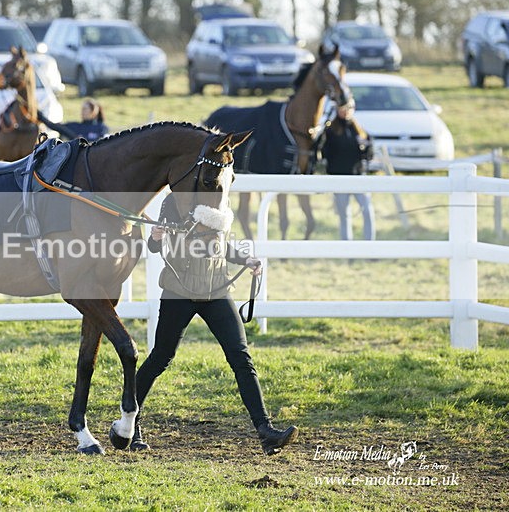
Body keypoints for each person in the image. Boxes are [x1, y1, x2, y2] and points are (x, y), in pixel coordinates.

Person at [130, 193, 299, 455]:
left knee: (241, 358)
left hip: (217, 291)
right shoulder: (174, 201)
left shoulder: (222, 201)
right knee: (161, 358)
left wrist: (246, 260)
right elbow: (155, 247)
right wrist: (155, 237)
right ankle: (131, 422)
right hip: (179, 291)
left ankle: (266, 432)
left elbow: (221, 246)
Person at [321, 101, 376, 240]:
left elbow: (369, 155)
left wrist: (367, 147)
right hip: (339, 178)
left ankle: (370, 246)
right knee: (344, 215)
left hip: (358, 177)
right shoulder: (330, 130)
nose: (346, 111)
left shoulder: (359, 129)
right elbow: (325, 153)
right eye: (342, 108)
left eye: (349, 108)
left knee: (367, 210)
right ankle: (347, 248)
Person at [39, 98, 109, 142]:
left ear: (93, 112)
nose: (82, 112)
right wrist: (40, 116)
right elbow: (54, 126)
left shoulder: (102, 128)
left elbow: (102, 143)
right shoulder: (75, 126)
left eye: (85, 109)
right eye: (82, 109)